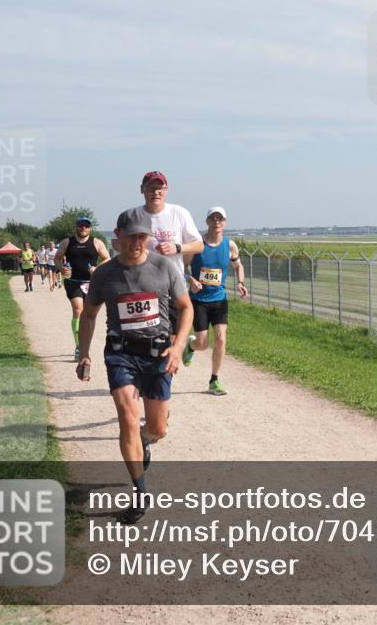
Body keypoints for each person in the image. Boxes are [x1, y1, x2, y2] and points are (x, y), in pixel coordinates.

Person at [76, 207, 192, 524]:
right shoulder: (104, 274)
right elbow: (88, 314)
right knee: (127, 417)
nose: (136, 243)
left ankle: (145, 440)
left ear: (148, 237)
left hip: (157, 355)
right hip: (121, 353)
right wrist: (83, 353)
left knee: (158, 428)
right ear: (118, 238)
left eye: (142, 236)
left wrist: (178, 347)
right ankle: (140, 492)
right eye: (130, 237)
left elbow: (186, 308)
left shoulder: (164, 268)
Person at [135, 171, 203, 360]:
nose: (156, 192)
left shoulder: (179, 213)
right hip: (143, 285)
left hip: (172, 284)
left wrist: (177, 247)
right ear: (142, 190)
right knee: (146, 337)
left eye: (160, 188)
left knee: (170, 341)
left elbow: (198, 245)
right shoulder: (135, 215)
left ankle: (164, 381)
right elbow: (119, 243)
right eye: (151, 188)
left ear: (166, 190)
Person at [185, 206, 247, 395]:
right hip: (199, 300)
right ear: (207, 221)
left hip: (219, 299)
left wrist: (240, 282)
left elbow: (238, 265)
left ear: (225, 222)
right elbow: (181, 267)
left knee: (221, 339)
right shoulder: (197, 245)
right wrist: (191, 279)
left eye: (220, 219)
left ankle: (214, 380)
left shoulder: (230, 245)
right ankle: (190, 345)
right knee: (202, 344)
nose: (217, 222)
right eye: (213, 218)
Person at [55, 216, 110, 361]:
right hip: (73, 281)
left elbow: (107, 259)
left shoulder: (97, 243)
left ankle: (85, 344)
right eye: (81, 225)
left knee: (89, 314)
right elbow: (57, 258)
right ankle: (79, 346)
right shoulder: (67, 242)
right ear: (76, 227)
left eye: (86, 226)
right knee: (78, 310)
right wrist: (62, 269)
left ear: (90, 228)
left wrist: (97, 269)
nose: (83, 228)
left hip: (91, 283)